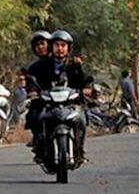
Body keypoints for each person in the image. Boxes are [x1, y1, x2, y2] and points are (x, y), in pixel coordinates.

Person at [27, 30, 92, 163]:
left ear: (68, 48)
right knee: (38, 118)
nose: (60, 49)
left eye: (63, 46)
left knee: (83, 120)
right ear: (52, 47)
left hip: (70, 103)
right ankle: (40, 148)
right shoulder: (41, 65)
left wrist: (86, 89)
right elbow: (32, 80)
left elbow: (84, 80)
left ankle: (79, 150)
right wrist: (33, 91)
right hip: (48, 103)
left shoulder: (74, 65)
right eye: (57, 45)